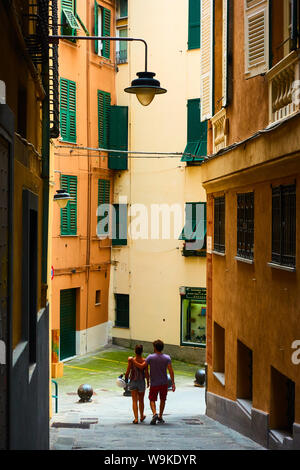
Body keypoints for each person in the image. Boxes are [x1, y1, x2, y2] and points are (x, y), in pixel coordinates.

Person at [132, 339, 175, 425]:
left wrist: (132, 361)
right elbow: (171, 371)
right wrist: (173, 383)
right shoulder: (167, 358)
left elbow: (141, 367)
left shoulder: (150, 357)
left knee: (152, 399)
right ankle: (160, 416)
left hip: (154, 383)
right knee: (163, 399)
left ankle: (155, 413)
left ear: (155, 348)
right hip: (164, 382)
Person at [125, 344, 149, 424]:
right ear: (142, 352)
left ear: (135, 351)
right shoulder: (144, 361)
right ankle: (142, 416)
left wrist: (125, 379)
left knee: (134, 400)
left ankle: (136, 419)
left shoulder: (131, 361)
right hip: (141, 382)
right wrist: (148, 382)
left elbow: (128, 371)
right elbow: (146, 373)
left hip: (133, 381)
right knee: (141, 400)